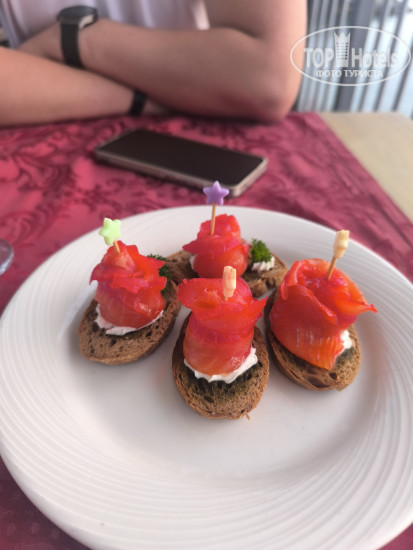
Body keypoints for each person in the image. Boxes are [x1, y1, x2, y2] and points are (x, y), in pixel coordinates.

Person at [0, 0, 306, 127]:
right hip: (35, 141)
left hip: (200, 143)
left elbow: (269, 79)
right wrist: (152, 95)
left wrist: (76, 40)